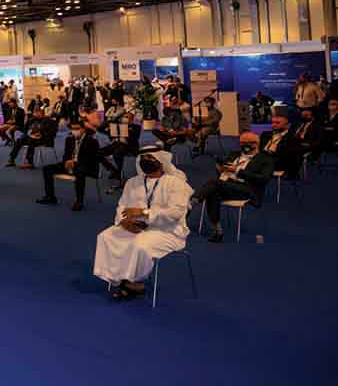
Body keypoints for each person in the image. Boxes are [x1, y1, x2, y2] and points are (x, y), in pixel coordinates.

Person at [93, 149, 192, 301]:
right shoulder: (133, 182)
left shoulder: (175, 183)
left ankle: (134, 283)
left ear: (161, 162)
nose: (145, 161)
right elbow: (122, 205)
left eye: (150, 158)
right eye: (143, 158)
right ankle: (118, 276)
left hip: (167, 230)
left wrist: (144, 213)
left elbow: (175, 213)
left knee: (139, 245)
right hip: (136, 226)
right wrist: (124, 222)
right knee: (106, 236)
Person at [191, 132, 274, 243]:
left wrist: (238, 171)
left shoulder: (265, 159)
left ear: (257, 144)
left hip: (246, 188)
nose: (245, 145)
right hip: (226, 184)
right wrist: (220, 169)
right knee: (212, 192)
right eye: (242, 143)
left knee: (214, 184)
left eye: (248, 143)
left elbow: (263, 179)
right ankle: (217, 229)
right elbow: (223, 171)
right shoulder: (234, 154)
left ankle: (192, 202)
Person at [37, 113, 101, 211]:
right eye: (72, 129)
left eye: (77, 128)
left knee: (79, 172)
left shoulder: (92, 141)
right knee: (47, 169)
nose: (74, 131)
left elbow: (91, 160)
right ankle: (50, 197)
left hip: (86, 167)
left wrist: (75, 163)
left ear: (83, 129)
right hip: (70, 164)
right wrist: (67, 161)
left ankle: (79, 201)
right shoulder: (69, 139)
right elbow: (66, 155)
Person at [260, 108, 303, 180]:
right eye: (273, 122)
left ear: (287, 125)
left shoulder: (292, 138)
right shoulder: (265, 135)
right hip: (263, 160)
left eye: (277, 123)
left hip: (279, 164)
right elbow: (259, 150)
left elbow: (287, 159)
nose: (274, 125)